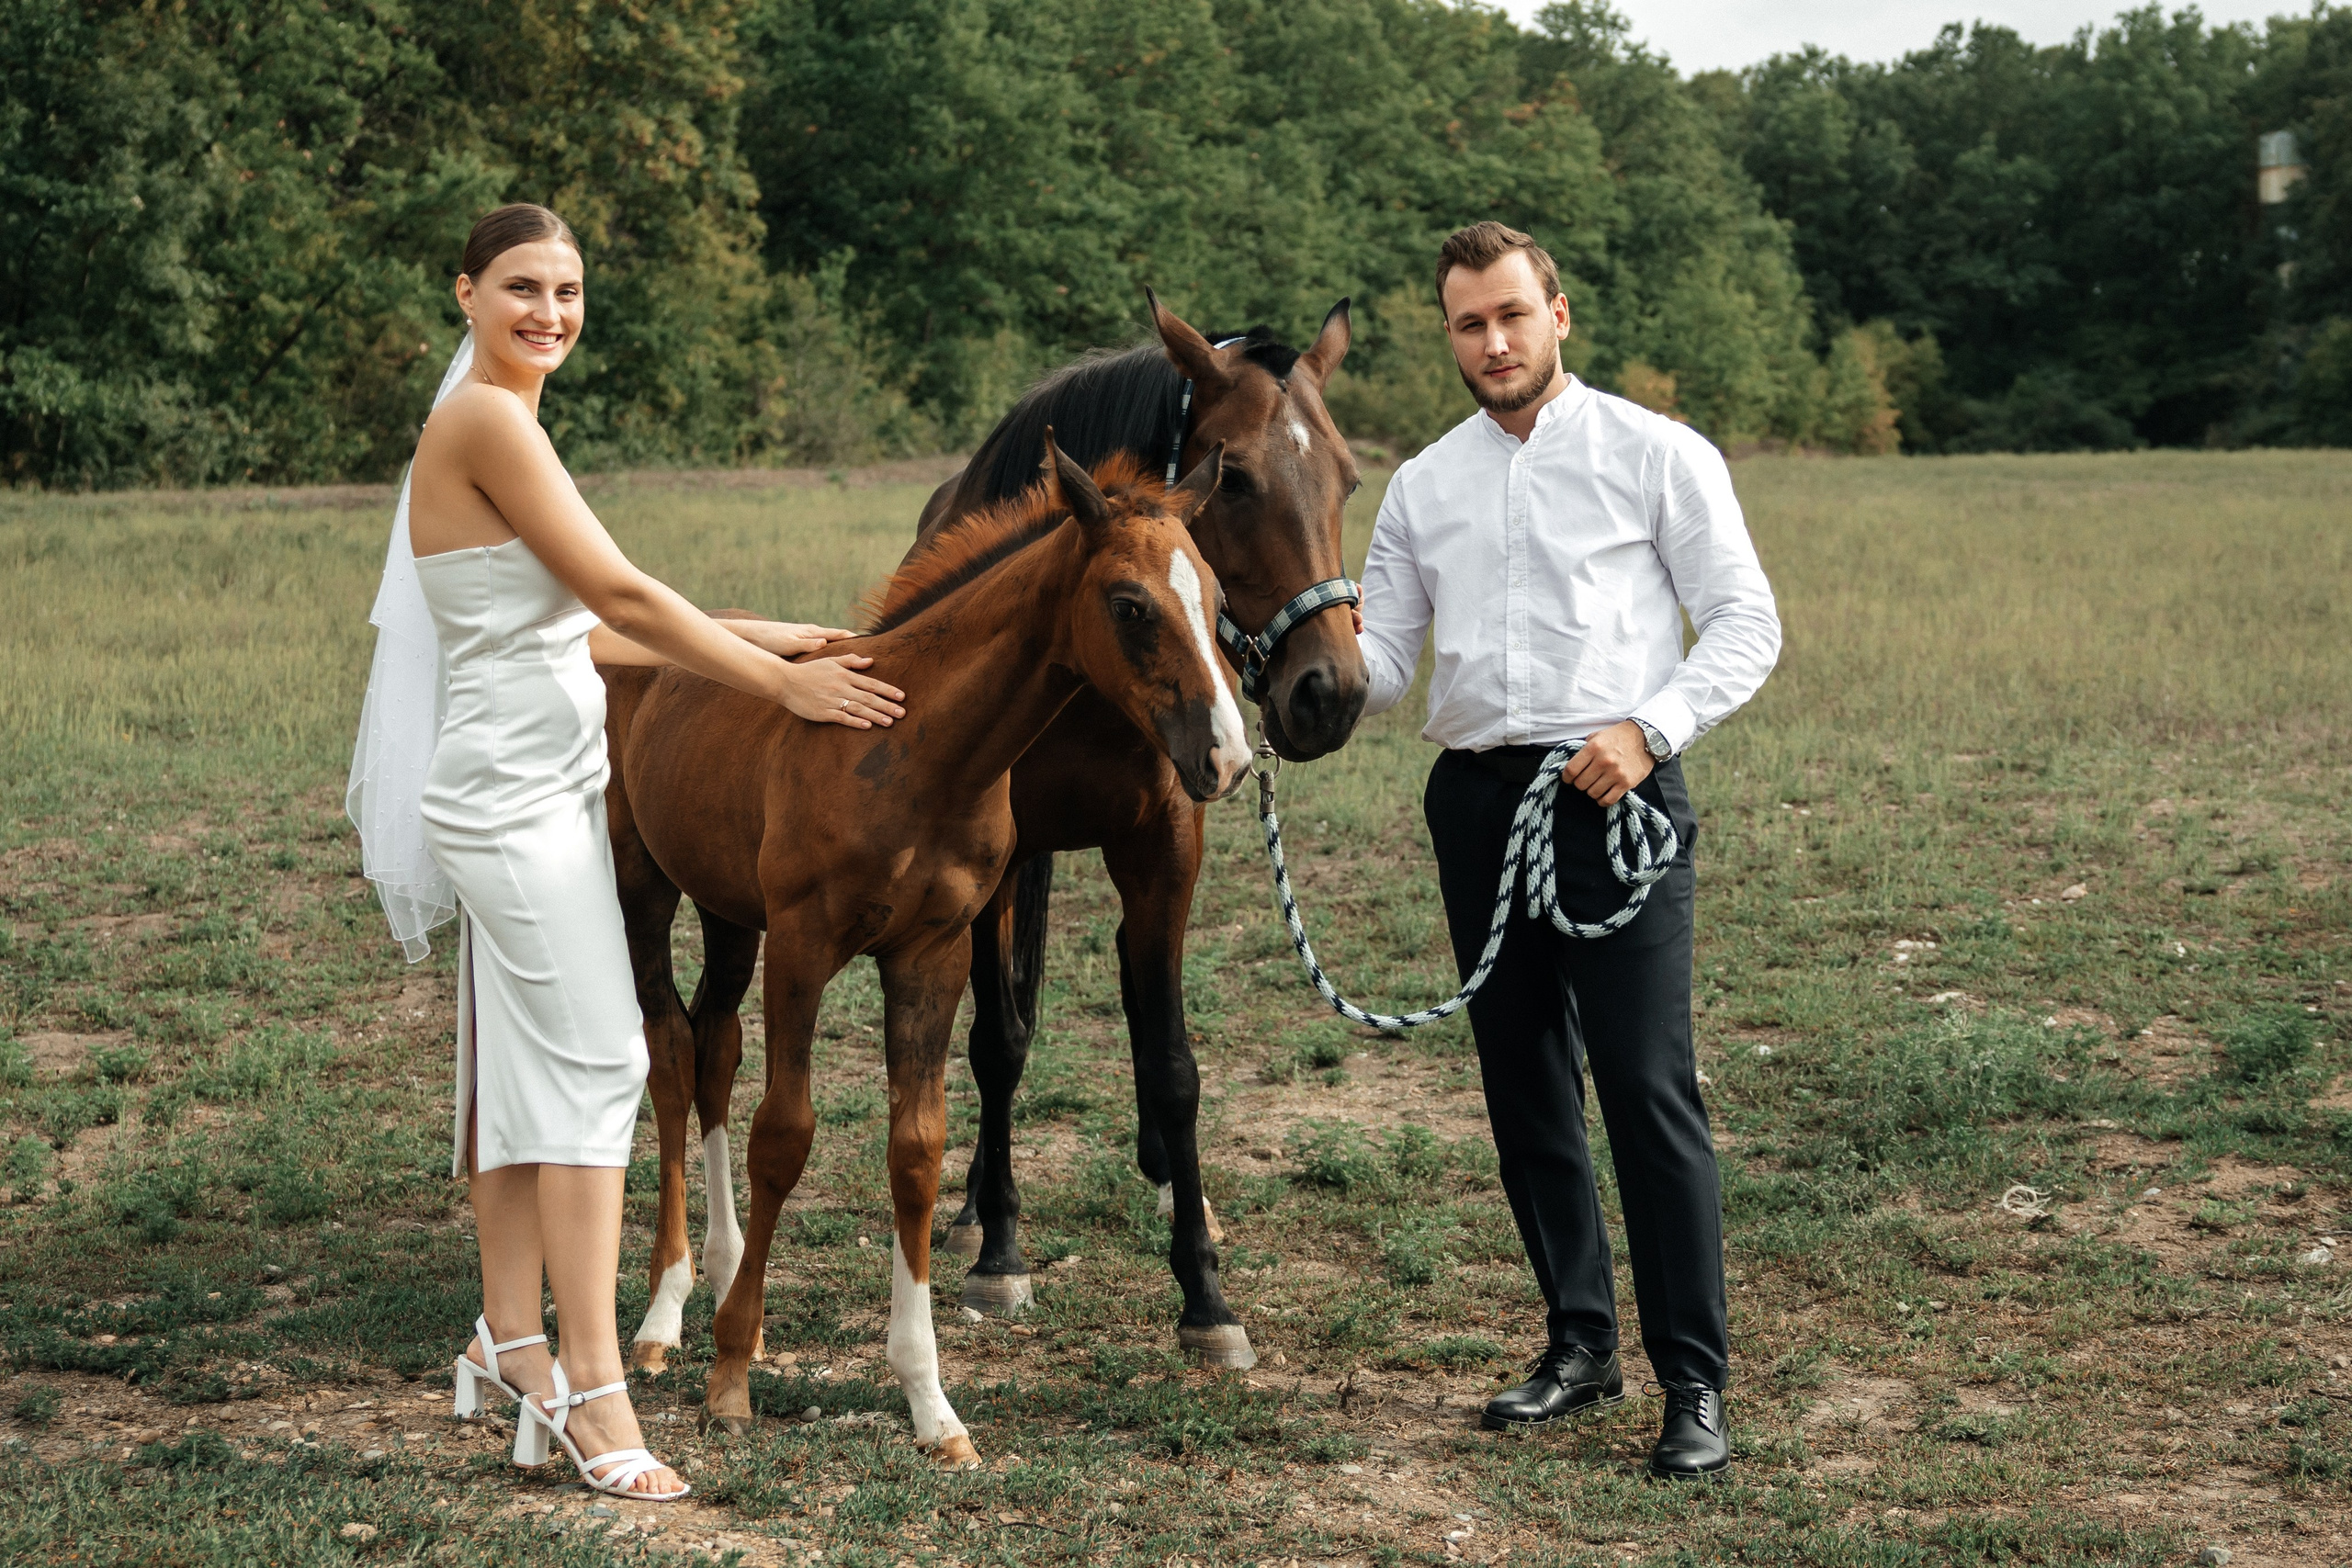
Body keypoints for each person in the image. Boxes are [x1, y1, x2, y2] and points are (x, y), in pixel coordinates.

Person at [346, 203, 907, 1499]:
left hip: (533, 785)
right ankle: (597, 1394)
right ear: (466, 295)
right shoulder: (484, 419)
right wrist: (782, 690)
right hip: (513, 803)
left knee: (515, 1076)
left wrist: (800, 637)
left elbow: (585, 630)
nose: (551, 311)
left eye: (570, 289)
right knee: (602, 1066)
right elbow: (623, 598)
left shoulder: (509, 422)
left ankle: (508, 1341)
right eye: (523, 287)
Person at [1354, 221, 1781, 1479]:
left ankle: (1693, 1381)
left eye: (1510, 316)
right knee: (1524, 1086)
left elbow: (1747, 624)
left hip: (1616, 798)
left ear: (1558, 314)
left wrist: (1649, 732)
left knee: (1649, 1092)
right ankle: (1579, 1344)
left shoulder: (1656, 453)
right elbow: (1384, 668)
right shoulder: (1422, 483)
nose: (1491, 343)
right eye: (1467, 325)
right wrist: (1284, 663)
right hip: (1477, 804)